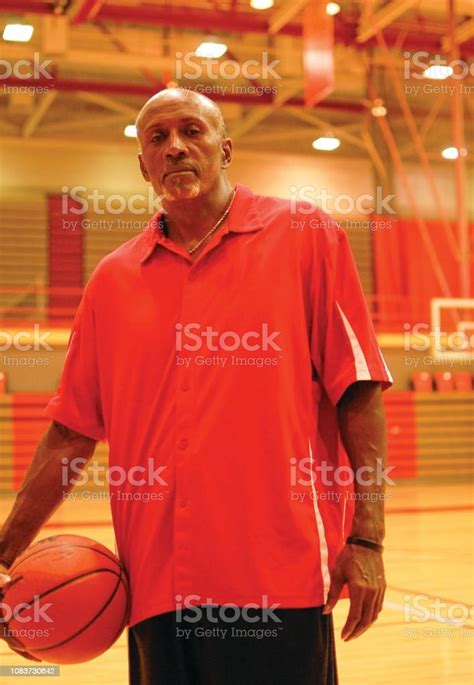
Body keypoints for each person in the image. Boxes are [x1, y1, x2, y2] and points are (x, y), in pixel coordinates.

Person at [0, 87, 393, 684]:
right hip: (158, 591)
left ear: (225, 148)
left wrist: (367, 541)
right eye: (157, 138)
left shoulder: (305, 235)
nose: (175, 147)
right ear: (142, 164)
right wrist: (5, 553)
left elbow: (357, 387)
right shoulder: (111, 280)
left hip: (276, 583)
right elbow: (70, 433)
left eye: (192, 131)